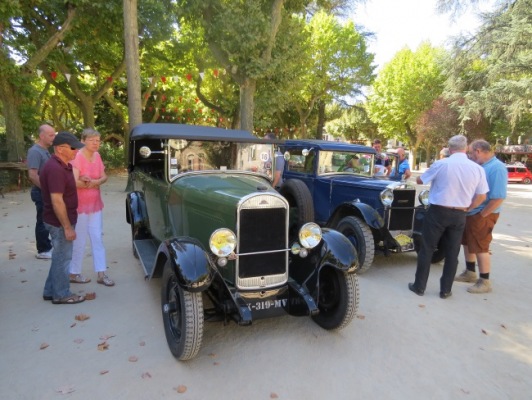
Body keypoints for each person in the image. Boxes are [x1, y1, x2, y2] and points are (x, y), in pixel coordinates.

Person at [409, 135, 489, 299]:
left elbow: (420, 180)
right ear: (466, 148)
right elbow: (482, 196)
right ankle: (445, 290)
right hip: (460, 213)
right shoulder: (477, 168)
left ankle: (419, 286)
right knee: (452, 253)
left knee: (427, 249)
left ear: (449, 148)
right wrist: (468, 208)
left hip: (438, 211)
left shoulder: (441, 164)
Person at [455, 140, 507, 293]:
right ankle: (470, 272)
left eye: (470, 153)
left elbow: (498, 197)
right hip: (472, 212)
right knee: (468, 242)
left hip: (483, 213)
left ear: (478, 151)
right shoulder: (482, 166)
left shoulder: (497, 168)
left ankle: (485, 281)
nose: (470, 156)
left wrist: (482, 215)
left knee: (480, 246)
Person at [41, 131, 86, 304]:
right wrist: (67, 227)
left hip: (59, 220)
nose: (76, 151)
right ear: (60, 149)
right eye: (73, 148)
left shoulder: (61, 165)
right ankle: (61, 294)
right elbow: (57, 200)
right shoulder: (55, 168)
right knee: (63, 258)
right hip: (59, 222)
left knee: (59, 257)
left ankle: (50, 290)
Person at [69, 128, 114, 287]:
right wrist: (88, 182)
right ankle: (74, 273)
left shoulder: (98, 156)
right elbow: (73, 182)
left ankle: (101, 273)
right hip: (80, 206)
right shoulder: (77, 157)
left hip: (95, 204)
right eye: (92, 140)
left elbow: (104, 176)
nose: (96, 143)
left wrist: (96, 182)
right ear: (83, 141)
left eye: (98, 140)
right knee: (79, 240)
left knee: (97, 238)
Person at [27, 124, 55, 259]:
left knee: (48, 219)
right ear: (41, 136)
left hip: (48, 192)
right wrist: (47, 190)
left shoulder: (46, 150)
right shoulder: (35, 151)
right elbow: (33, 175)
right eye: (51, 135)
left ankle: (48, 245)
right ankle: (43, 250)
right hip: (41, 192)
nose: (53, 137)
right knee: (43, 220)